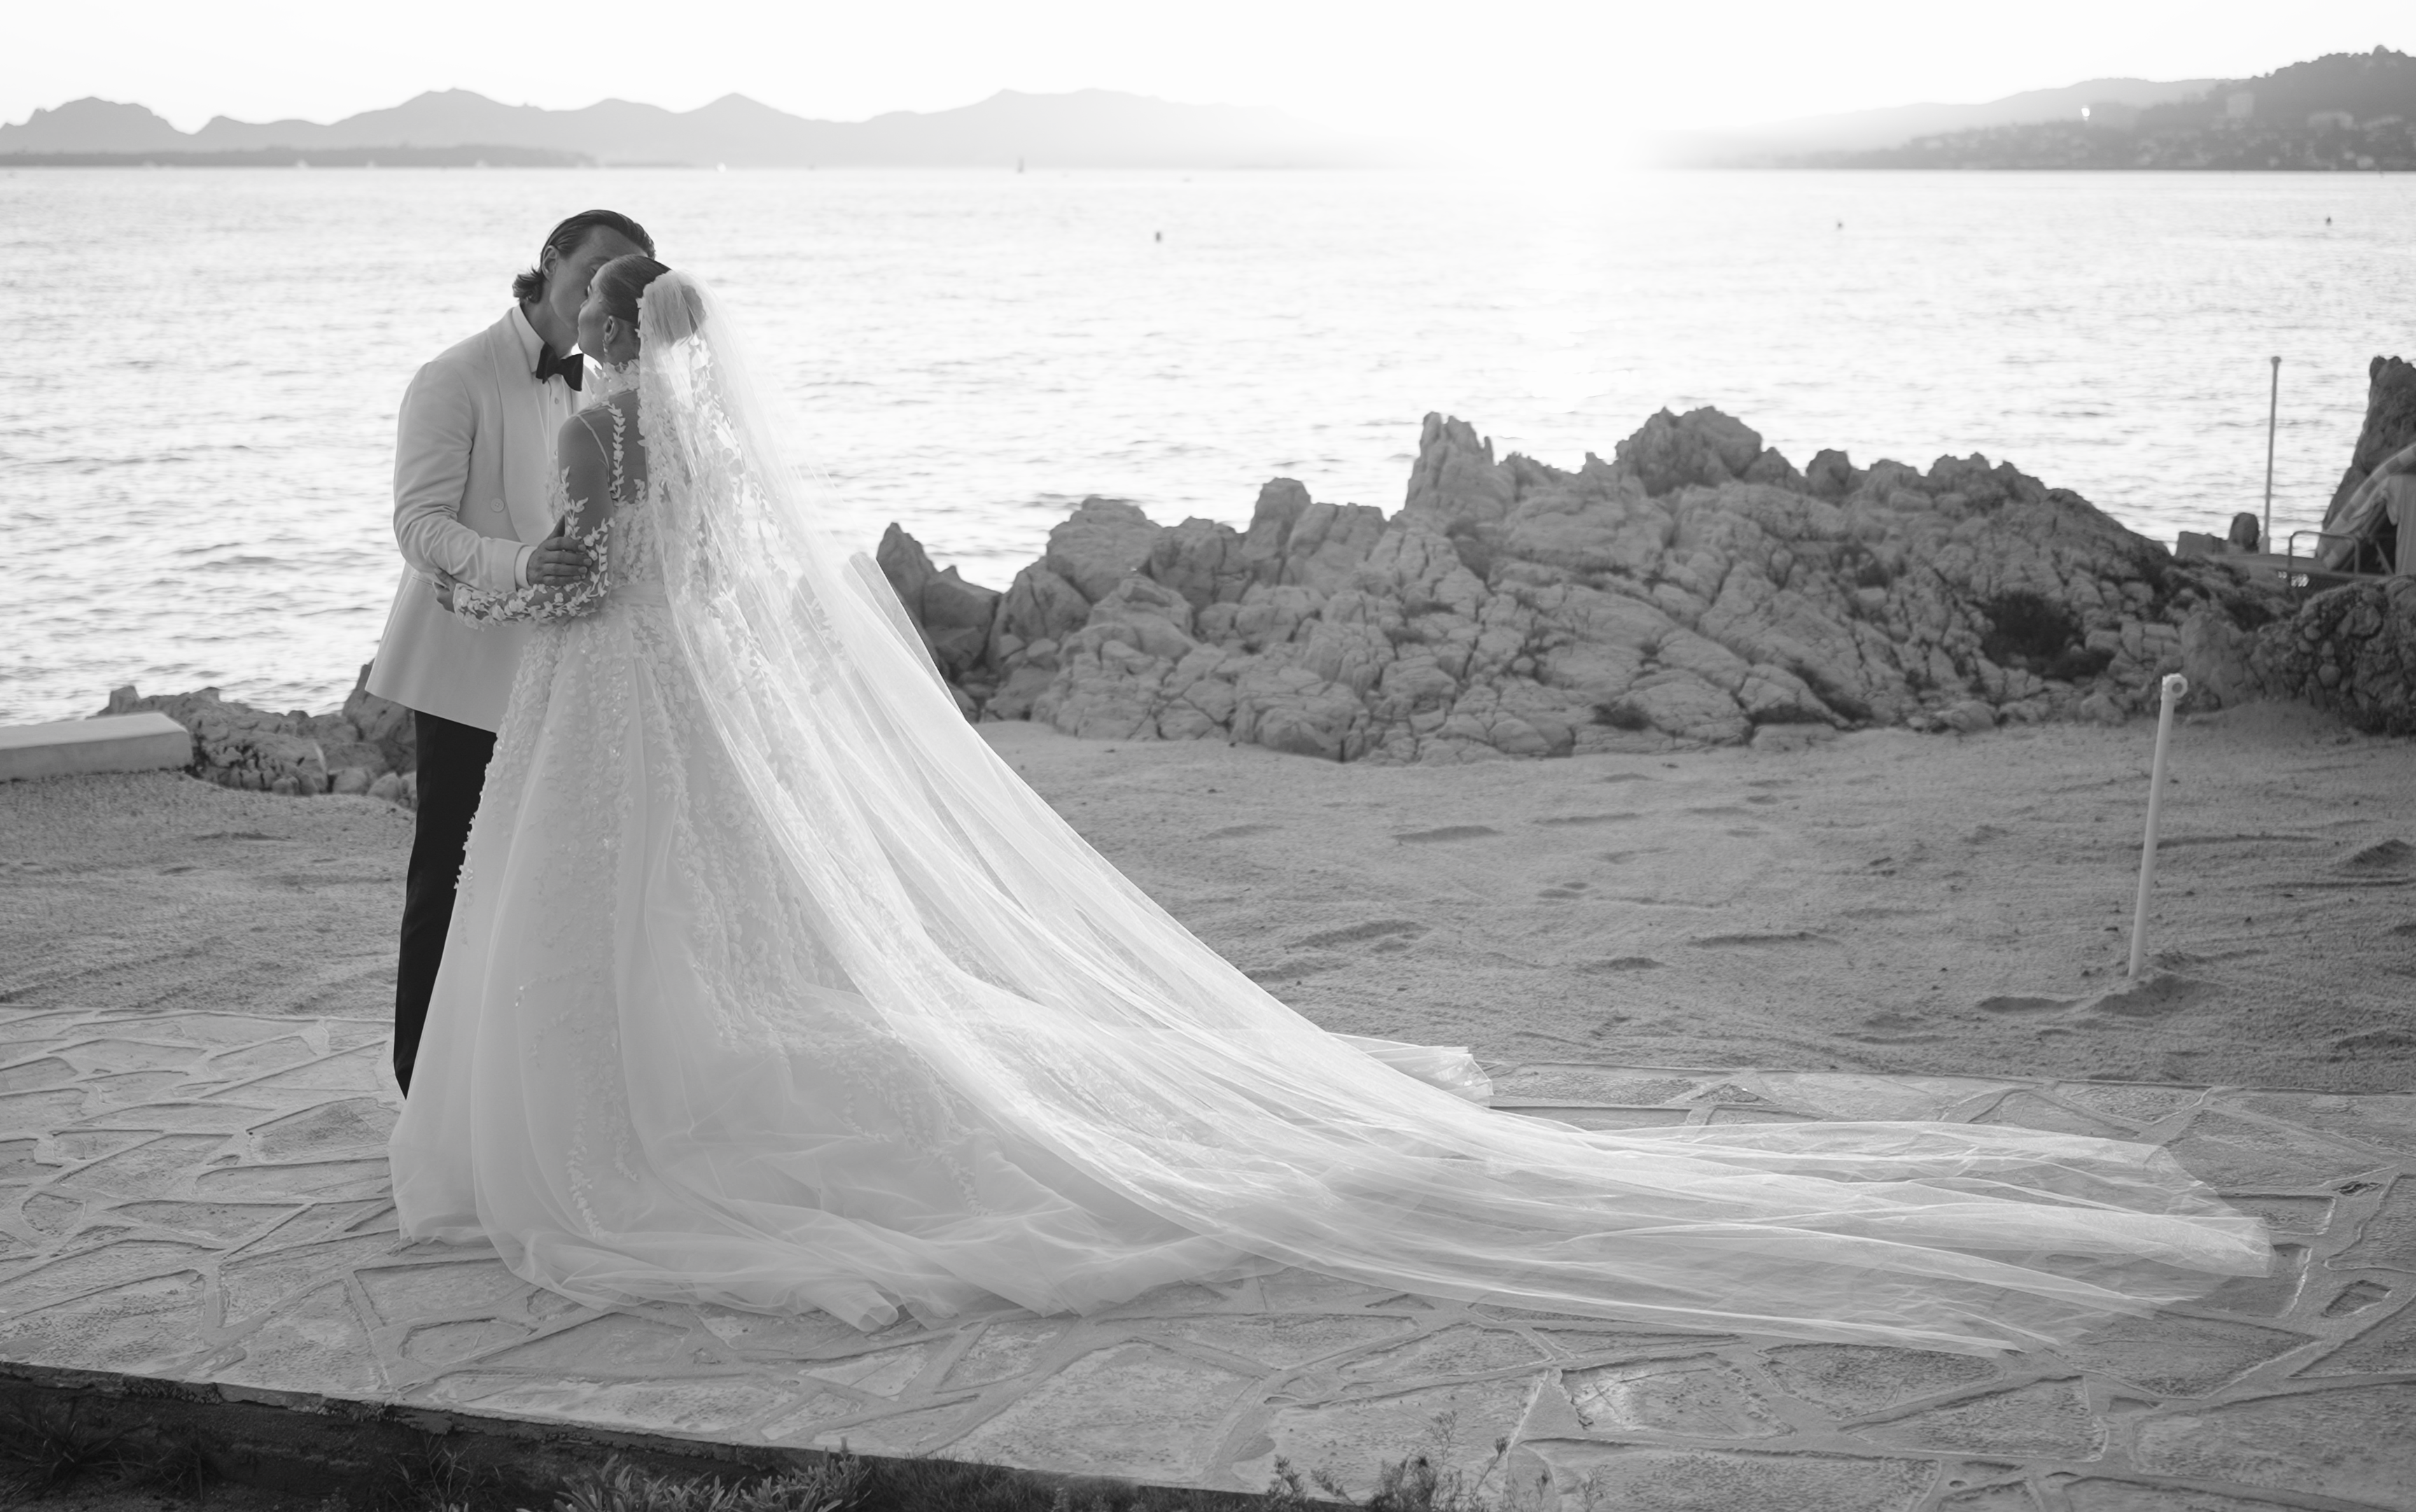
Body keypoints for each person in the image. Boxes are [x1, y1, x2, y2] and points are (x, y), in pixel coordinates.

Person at [389, 258, 2269, 1352]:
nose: (571, 322)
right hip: (687, 719)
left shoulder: (617, 434)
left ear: (613, 339)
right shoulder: (703, 448)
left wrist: (494, 589)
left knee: (619, 937)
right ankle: (657, 1092)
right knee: (698, 931)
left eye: (585, 308)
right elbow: (706, 586)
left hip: (609, 711)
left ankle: (622, 1125)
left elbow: (583, 580)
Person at [367, 210, 653, 1094]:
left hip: (571, 669)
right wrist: (525, 565)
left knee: (544, 880)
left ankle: (509, 1082)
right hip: (466, 667)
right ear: (551, 262)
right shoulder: (454, 376)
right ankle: (424, 1084)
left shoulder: (609, 387)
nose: (605, 283)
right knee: (449, 876)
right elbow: (419, 527)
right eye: (597, 263)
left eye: (626, 272)